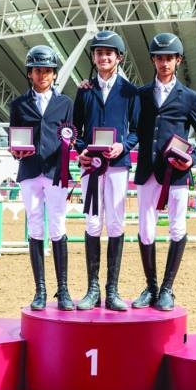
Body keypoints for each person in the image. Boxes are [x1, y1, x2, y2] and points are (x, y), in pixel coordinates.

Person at [131, 32, 196, 311]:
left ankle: (167, 288)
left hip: (176, 173)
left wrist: (192, 159)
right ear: (153, 60)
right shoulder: (140, 94)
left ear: (178, 61)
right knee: (145, 230)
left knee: (177, 227)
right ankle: (150, 287)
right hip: (147, 172)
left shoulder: (189, 97)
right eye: (160, 58)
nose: (164, 63)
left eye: (169, 59)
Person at [73, 30, 139, 311]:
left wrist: (123, 147)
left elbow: (136, 131)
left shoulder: (129, 92)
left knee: (115, 224)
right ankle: (92, 289)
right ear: (94, 57)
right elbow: (74, 130)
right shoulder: (84, 91)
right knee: (92, 223)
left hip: (117, 166)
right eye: (99, 53)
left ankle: (112, 290)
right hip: (92, 166)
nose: (103, 57)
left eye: (108, 53)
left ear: (119, 58)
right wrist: (81, 150)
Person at [8, 45, 75, 311]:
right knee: (35, 228)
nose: (43, 75)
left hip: (56, 171)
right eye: (38, 71)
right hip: (29, 170)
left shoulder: (65, 103)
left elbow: (73, 135)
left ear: (55, 74)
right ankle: (40, 290)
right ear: (30, 74)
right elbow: (13, 136)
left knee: (58, 226)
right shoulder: (18, 104)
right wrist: (14, 150)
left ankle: (64, 290)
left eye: (47, 71)